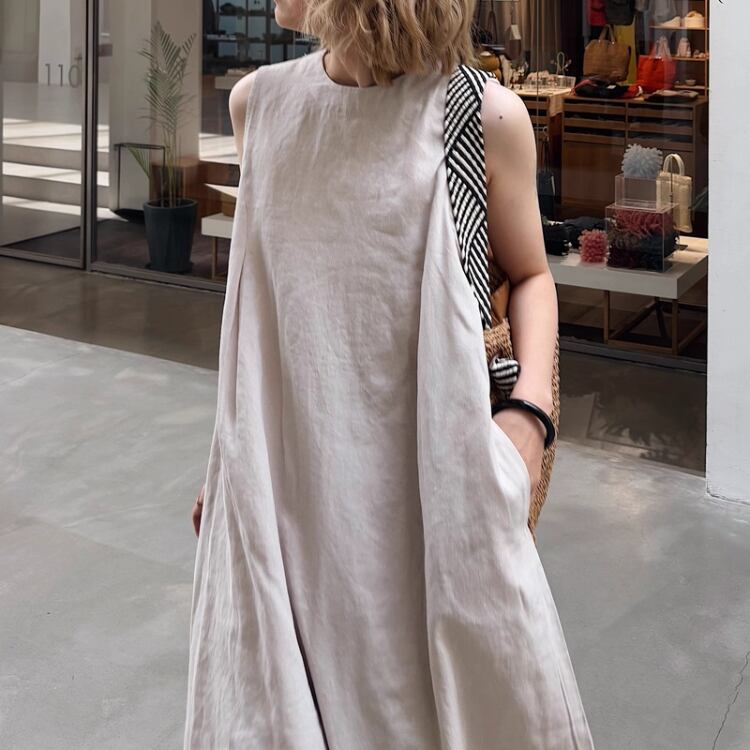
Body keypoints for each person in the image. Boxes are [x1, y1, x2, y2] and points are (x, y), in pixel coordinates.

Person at [184, 0, 596, 747]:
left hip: (428, 496)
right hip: (294, 497)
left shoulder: (481, 116)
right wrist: (231, 462)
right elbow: (260, 317)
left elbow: (533, 276)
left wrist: (529, 417)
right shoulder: (259, 106)